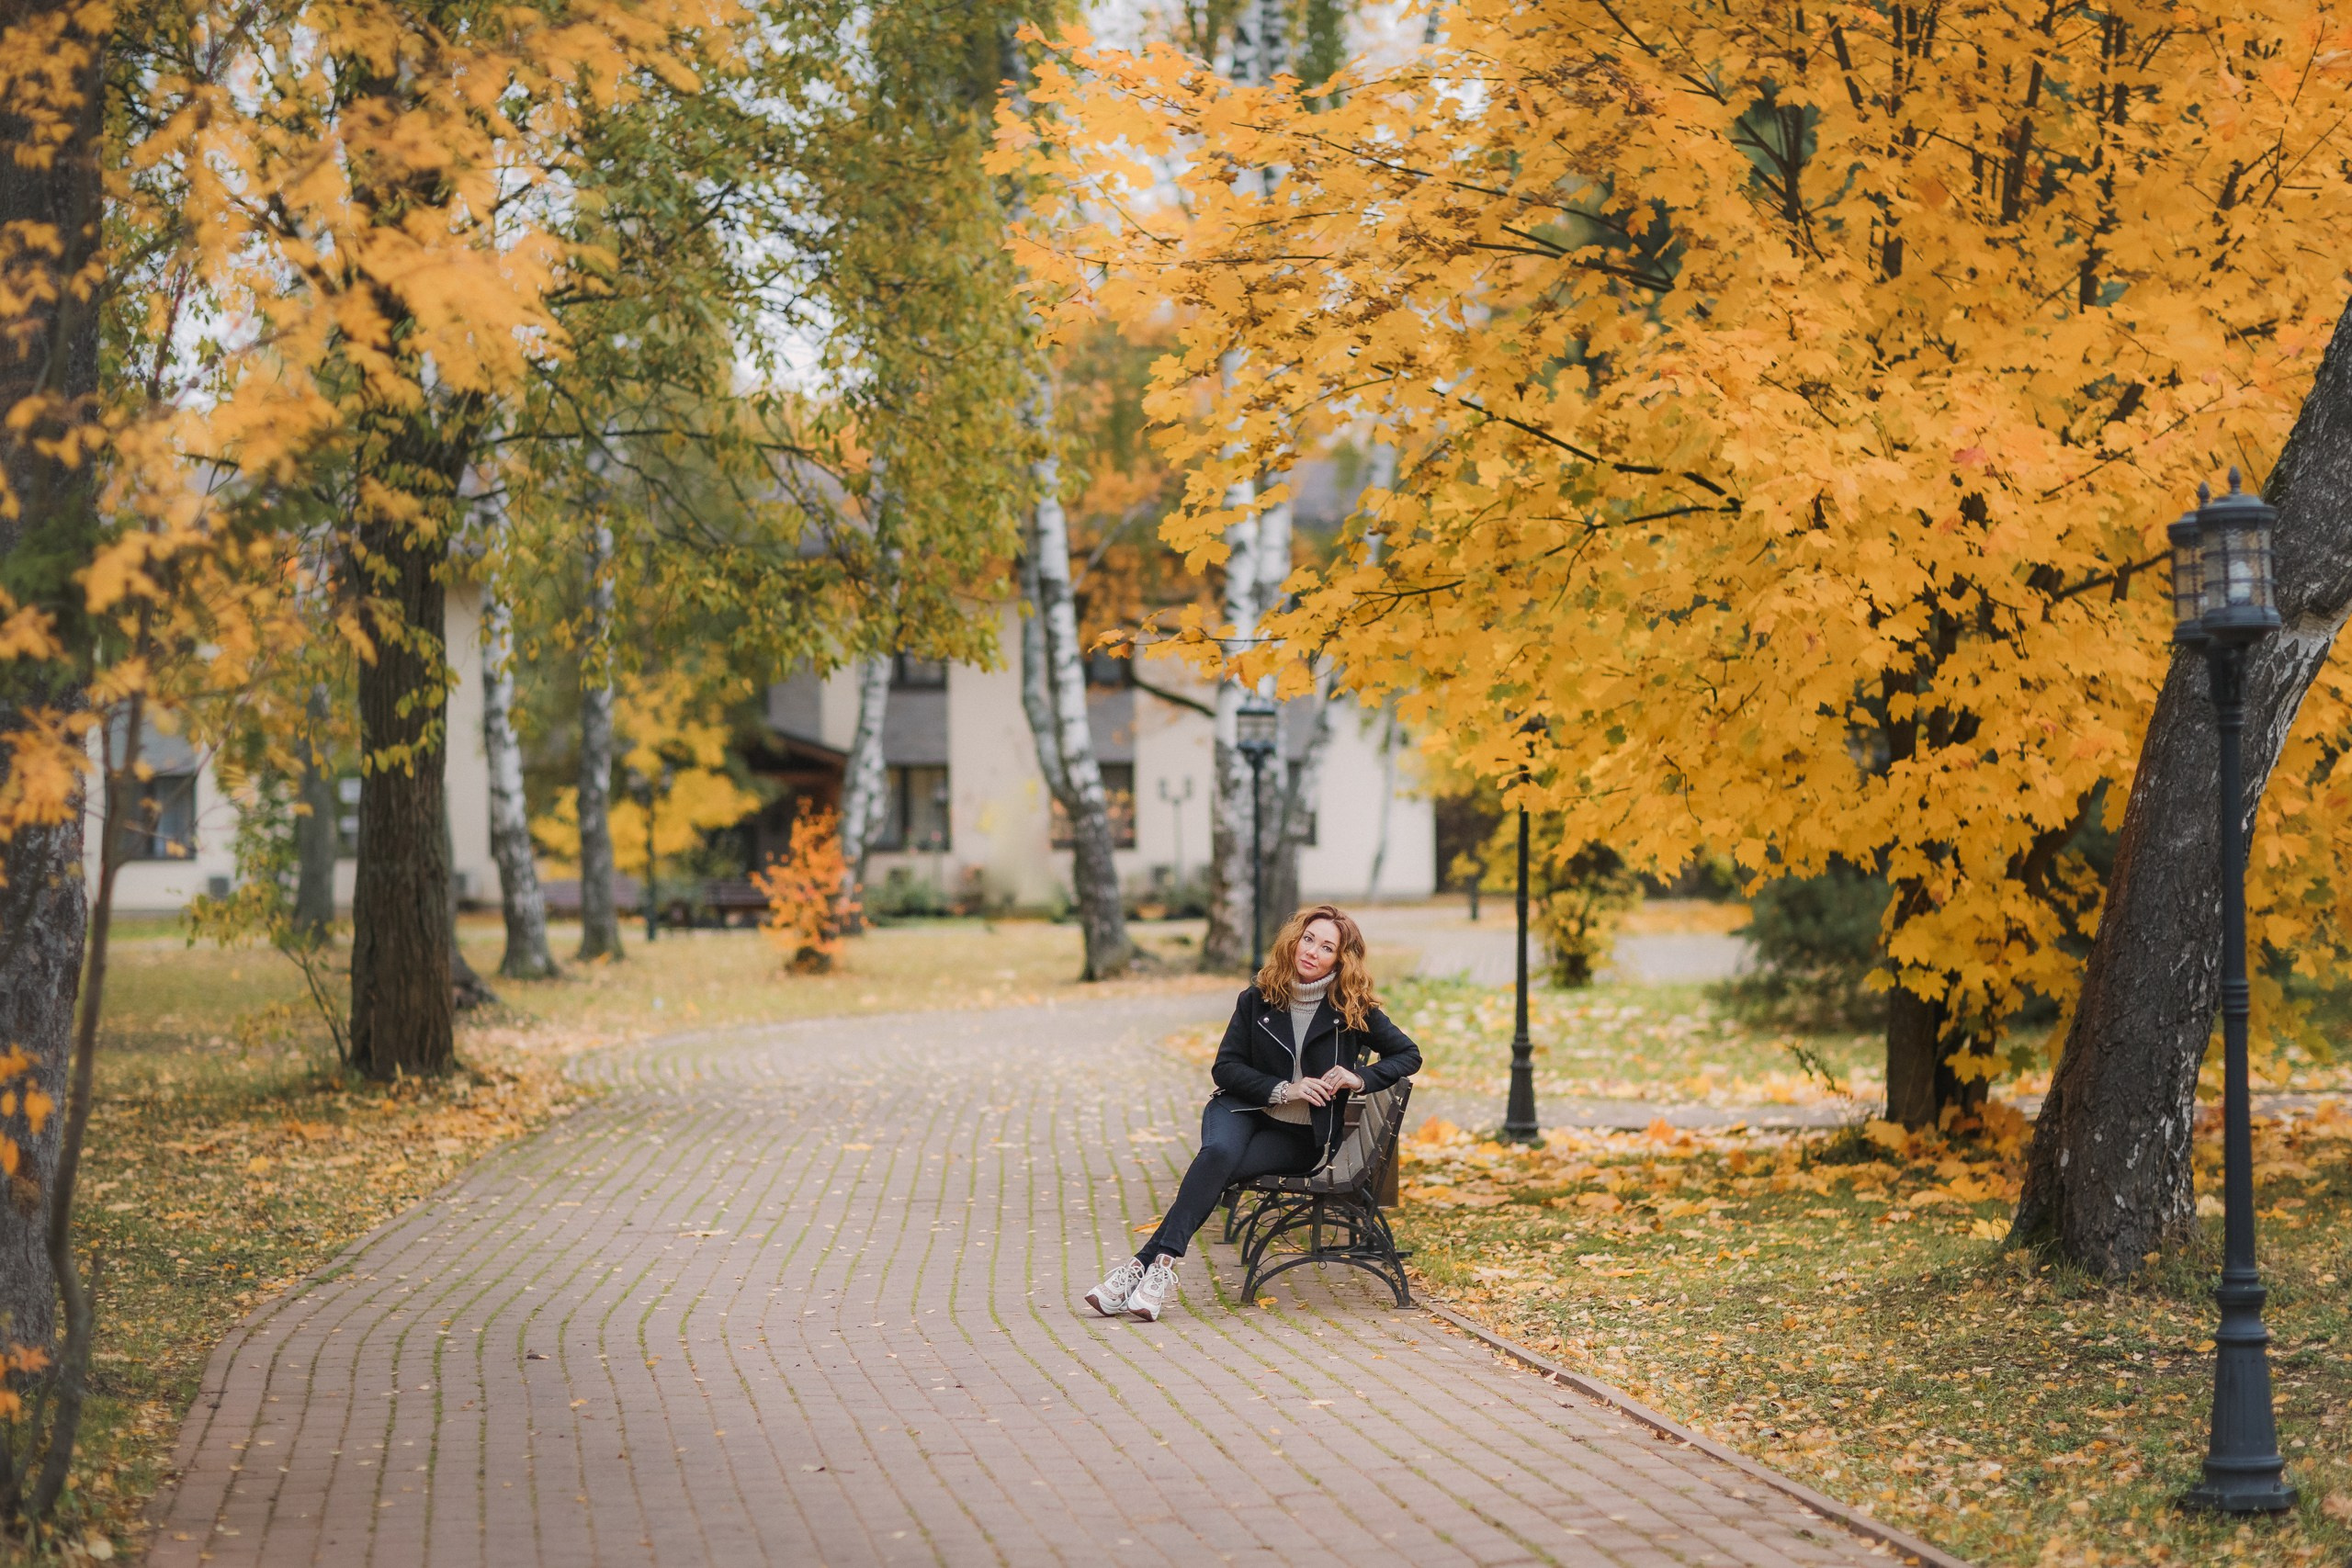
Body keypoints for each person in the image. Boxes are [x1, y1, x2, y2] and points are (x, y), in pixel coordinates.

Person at [1084, 903, 1421, 1322]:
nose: (1312, 951)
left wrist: (1359, 1078)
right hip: (1241, 1108)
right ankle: (1160, 1268)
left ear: (1341, 959)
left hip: (1299, 1138)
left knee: (1215, 1169)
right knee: (1219, 1154)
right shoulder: (1259, 997)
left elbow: (1408, 1054)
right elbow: (1226, 1067)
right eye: (1308, 939)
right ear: (1294, 940)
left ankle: (1139, 1267)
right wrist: (1285, 1089)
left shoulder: (1352, 1009)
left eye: (1326, 947)